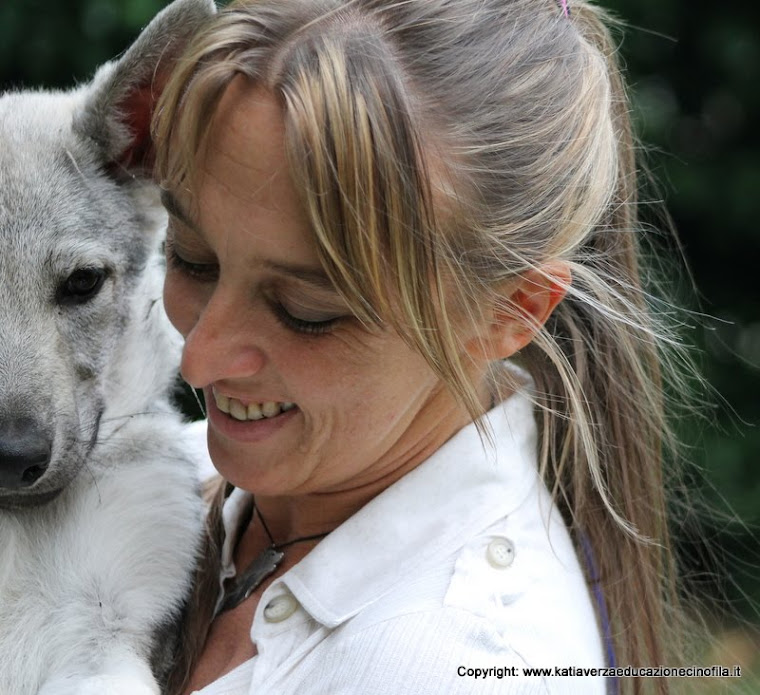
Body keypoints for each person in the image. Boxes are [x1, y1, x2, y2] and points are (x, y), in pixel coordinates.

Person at [152, 0, 690, 693]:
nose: (197, 358)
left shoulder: (456, 666)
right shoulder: (169, 475)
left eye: (306, 312)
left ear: (511, 311)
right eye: (192, 258)